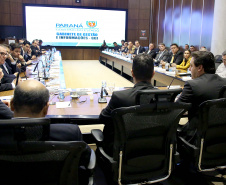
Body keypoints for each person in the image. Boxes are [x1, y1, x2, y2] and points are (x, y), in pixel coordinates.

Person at [99, 54, 155, 155]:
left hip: (123, 151)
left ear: (132, 73)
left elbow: (103, 118)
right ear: (153, 73)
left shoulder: (120, 96)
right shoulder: (166, 97)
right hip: (155, 150)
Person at [177, 51, 226, 141]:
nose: (189, 69)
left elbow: (177, 110)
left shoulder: (192, 85)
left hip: (196, 137)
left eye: (191, 66)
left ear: (200, 68)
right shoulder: (224, 83)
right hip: (221, 137)